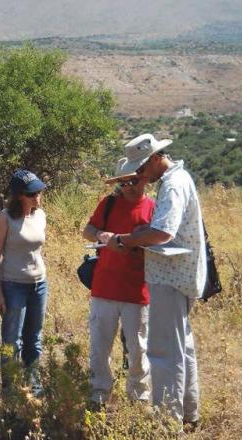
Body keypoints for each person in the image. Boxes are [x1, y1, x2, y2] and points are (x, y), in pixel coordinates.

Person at [108, 134, 206, 428]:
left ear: (154, 159)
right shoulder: (178, 179)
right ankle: (189, 415)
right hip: (180, 275)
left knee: (163, 351)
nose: (138, 175)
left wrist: (125, 240)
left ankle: (167, 423)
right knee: (182, 346)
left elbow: (163, 232)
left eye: (140, 168)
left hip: (171, 276)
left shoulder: (173, 185)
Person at [83, 157, 154, 405]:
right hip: (104, 287)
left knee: (138, 350)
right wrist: (101, 234)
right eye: (123, 183)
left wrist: (134, 246)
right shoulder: (109, 204)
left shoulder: (153, 208)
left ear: (144, 180)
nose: (129, 187)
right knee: (99, 347)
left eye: (133, 181)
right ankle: (99, 395)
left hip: (137, 290)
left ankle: (139, 400)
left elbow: (160, 244)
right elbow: (88, 230)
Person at [0, 168, 48, 395]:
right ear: (19, 195)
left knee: (34, 338)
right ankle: (10, 391)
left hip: (39, 284)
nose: (37, 197)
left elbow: (36, 250)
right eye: (32, 194)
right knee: (11, 341)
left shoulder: (40, 216)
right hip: (13, 285)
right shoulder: (5, 219)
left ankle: (34, 387)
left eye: (39, 193)